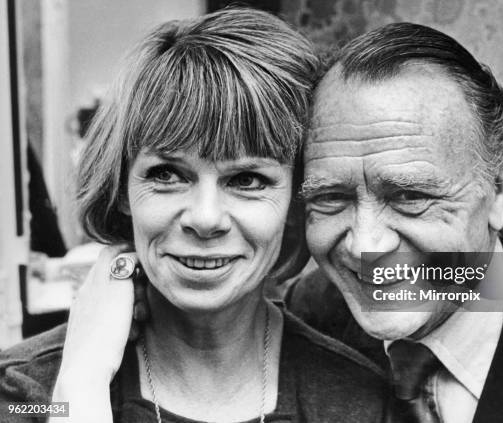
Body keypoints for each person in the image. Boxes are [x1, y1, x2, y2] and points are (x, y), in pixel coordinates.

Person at [0, 9, 390, 423]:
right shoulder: (24, 393)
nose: (205, 219)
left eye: (247, 179)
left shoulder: (360, 404)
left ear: (296, 202)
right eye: (167, 174)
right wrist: (81, 385)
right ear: (123, 190)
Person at [286, 22, 503, 422]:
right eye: (331, 197)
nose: (363, 246)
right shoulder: (307, 314)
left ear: (500, 188)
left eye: (410, 197)